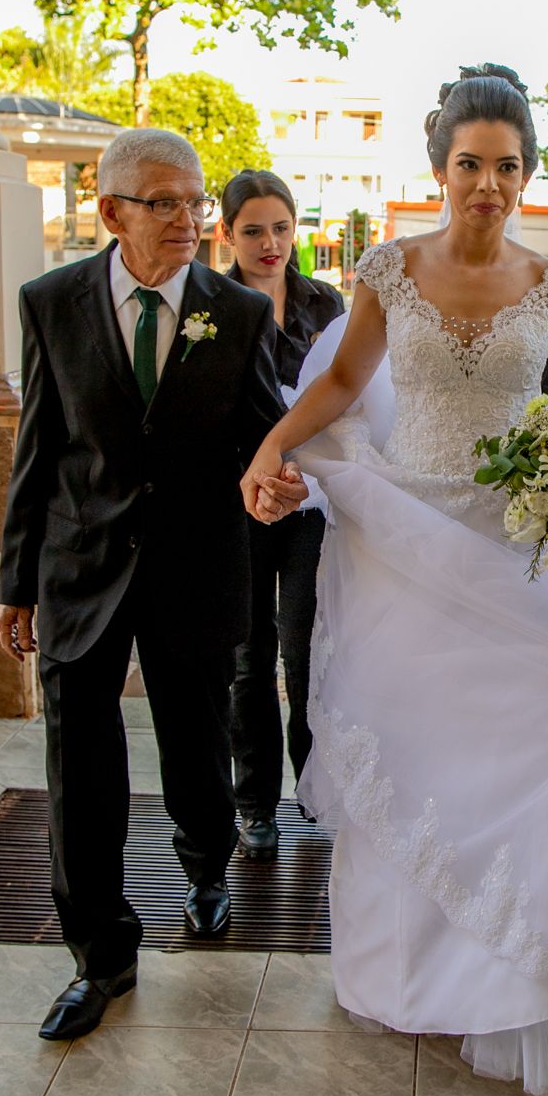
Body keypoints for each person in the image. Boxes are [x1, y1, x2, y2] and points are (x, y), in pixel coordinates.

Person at [241, 64, 548, 1096]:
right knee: (423, 745)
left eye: (507, 168)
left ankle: (541, 963)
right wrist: (271, 446)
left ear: (526, 177)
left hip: (524, 530)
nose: (488, 185)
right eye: (471, 164)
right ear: (439, 168)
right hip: (409, 535)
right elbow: (335, 384)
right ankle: (420, 973)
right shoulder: (386, 266)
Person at [0, 129, 306, 1042]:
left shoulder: (236, 311)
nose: (187, 221)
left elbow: (266, 431)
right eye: (164, 203)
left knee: (195, 746)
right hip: (79, 570)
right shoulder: (50, 302)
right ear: (111, 212)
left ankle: (206, 868)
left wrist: (281, 478)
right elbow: (37, 447)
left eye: (195, 202)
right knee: (78, 768)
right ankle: (100, 956)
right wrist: (18, 580)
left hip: (198, 568)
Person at [219, 170, 345, 860]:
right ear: (227, 234)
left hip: (312, 507)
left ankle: (315, 791)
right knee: (247, 659)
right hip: (239, 504)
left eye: (280, 228)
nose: (269, 243)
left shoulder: (327, 306)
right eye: (252, 230)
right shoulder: (209, 304)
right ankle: (254, 804)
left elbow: (352, 402)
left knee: (305, 654)